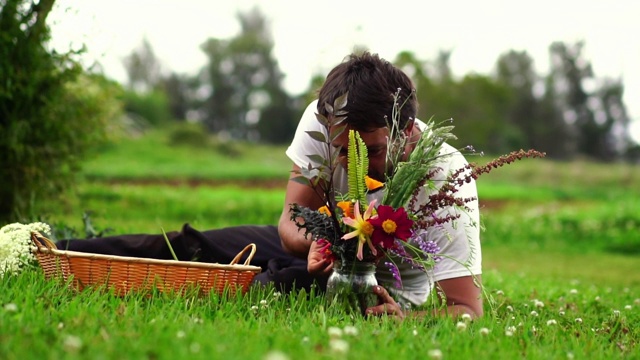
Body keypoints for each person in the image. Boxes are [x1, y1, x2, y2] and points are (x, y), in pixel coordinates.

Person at [57, 51, 482, 319]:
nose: (351, 161)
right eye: (341, 149)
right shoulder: (322, 122)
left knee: (276, 283)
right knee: (196, 244)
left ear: (406, 130)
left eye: (369, 150)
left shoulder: (447, 178)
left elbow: (466, 309)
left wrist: (403, 319)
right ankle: (55, 253)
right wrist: (310, 244)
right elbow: (289, 220)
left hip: (378, 281)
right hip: (323, 253)